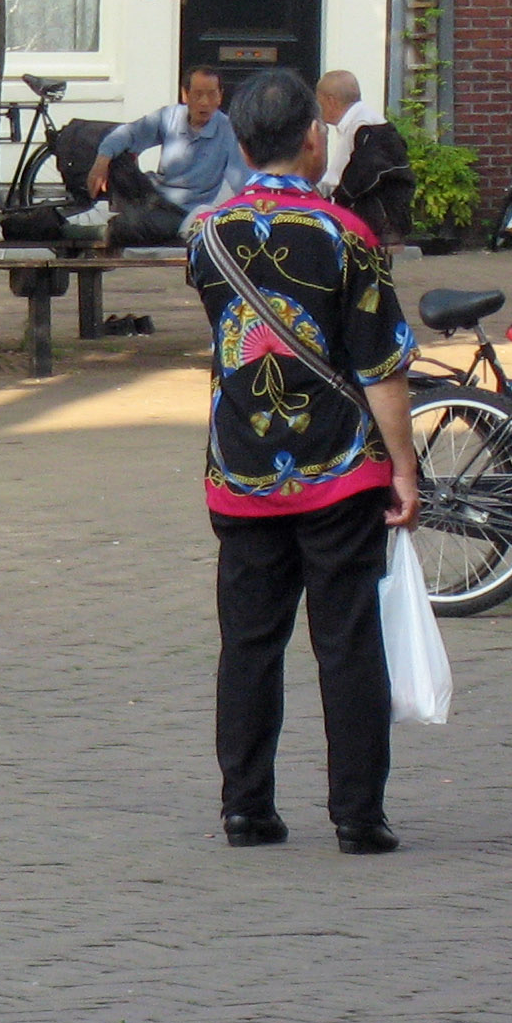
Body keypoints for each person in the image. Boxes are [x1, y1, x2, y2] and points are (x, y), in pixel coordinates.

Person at [187, 66, 420, 855]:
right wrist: (405, 469)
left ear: (242, 140)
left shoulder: (206, 236)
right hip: (339, 467)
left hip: (242, 467)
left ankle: (246, 807)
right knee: (348, 641)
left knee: (248, 644)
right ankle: (359, 814)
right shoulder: (346, 234)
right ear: (313, 140)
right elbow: (381, 365)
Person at [90, 65, 251, 246]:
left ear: (220, 96)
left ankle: (113, 225)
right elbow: (128, 133)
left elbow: (243, 181)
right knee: (116, 159)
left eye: (212, 94)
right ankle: (113, 214)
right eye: (198, 94)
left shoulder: (229, 130)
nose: (205, 102)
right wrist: (102, 160)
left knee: (129, 227)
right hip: (152, 194)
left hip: (182, 211)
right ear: (185, 95)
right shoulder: (169, 116)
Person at [317, 70, 415, 247]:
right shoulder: (360, 126)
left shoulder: (368, 128)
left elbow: (361, 176)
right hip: (370, 217)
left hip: (379, 222)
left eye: (320, 101)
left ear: (331, 101)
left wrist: (334, 202)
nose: (319, 107)